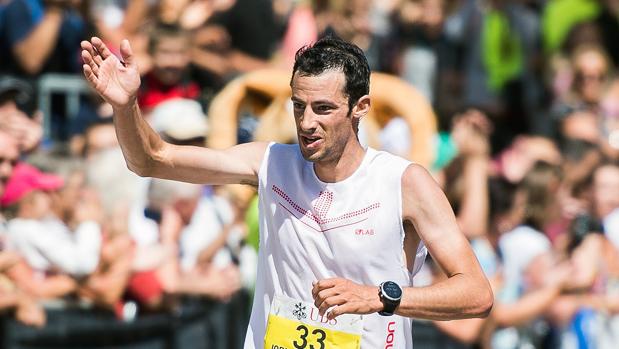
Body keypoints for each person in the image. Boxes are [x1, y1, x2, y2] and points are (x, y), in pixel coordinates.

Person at [81, 35, 493, 348]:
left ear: (360, 108)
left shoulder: (404, 182)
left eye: (323, 108)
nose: (307, 122)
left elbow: (476, 293)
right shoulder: (270, 163)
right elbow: (151, 159)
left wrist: (379, 298)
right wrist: (126, 106)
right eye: (298, 106)